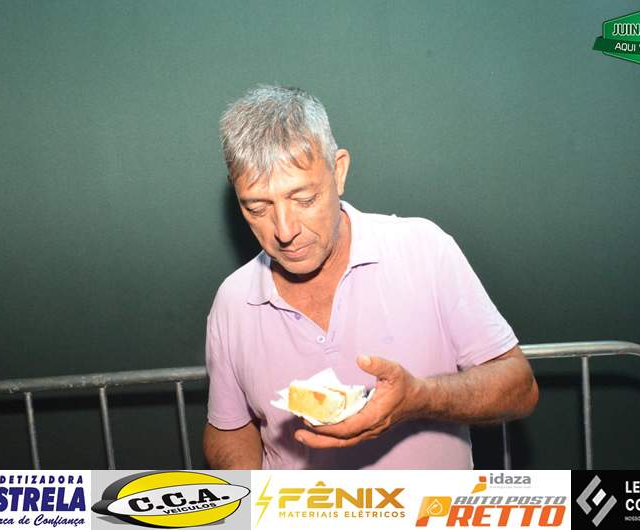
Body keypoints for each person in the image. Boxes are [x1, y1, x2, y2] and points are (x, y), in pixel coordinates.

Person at [203, 85, 538, 469]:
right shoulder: (233, 301)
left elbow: (520, 386)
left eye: (304, 199)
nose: (284, 230)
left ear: (339, 171)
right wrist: (249, 496)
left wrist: (419, 398)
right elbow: (228, 427)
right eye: (257, 208)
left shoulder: (424, 249)